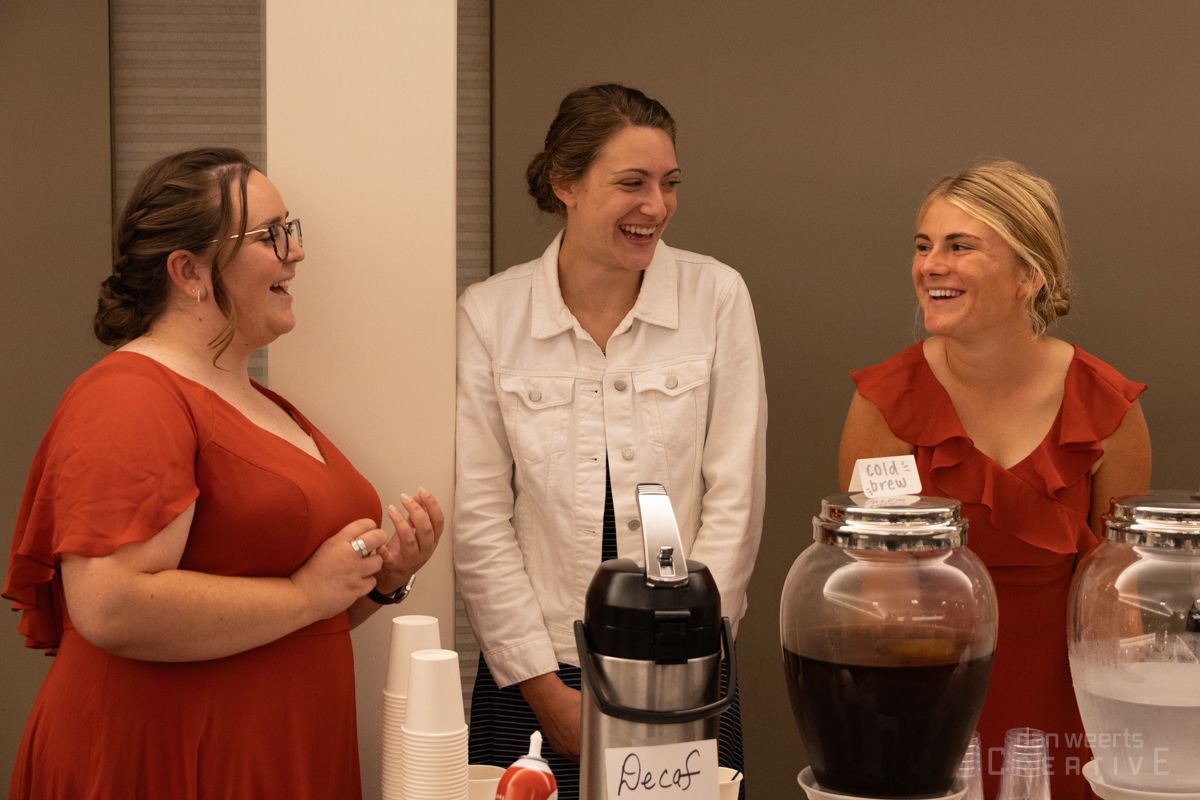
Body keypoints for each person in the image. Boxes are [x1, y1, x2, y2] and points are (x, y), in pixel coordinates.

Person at [3, 147, 444, 800]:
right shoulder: (131, 395)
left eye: (291, 230)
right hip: (161, 760)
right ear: (188, 271)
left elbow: (287, 613)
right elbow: (112, 606)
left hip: (276, 753)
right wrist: (304, 594)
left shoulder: (258, 402)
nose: (297, 253)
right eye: (272, 236)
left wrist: (380, 582)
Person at [454, 84, 766, 799]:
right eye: (632, 183)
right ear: (565, 183)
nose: (657, 206)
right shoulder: (491, 315)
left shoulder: (716, 298)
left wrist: (684, 660)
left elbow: (736, 501)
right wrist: (542, 688)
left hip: (687, 667)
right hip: (534, 673)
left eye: (669, 183)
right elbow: (478, 517)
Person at [838, 159, 1151, 800]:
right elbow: (873, 598)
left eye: (960, 247)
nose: (931, 266)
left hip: (1070, 714)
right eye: (924, 246)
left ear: (1029, 275)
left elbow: (1119, 603)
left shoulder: (1108, 407)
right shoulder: (885, 403)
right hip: (929, 704)